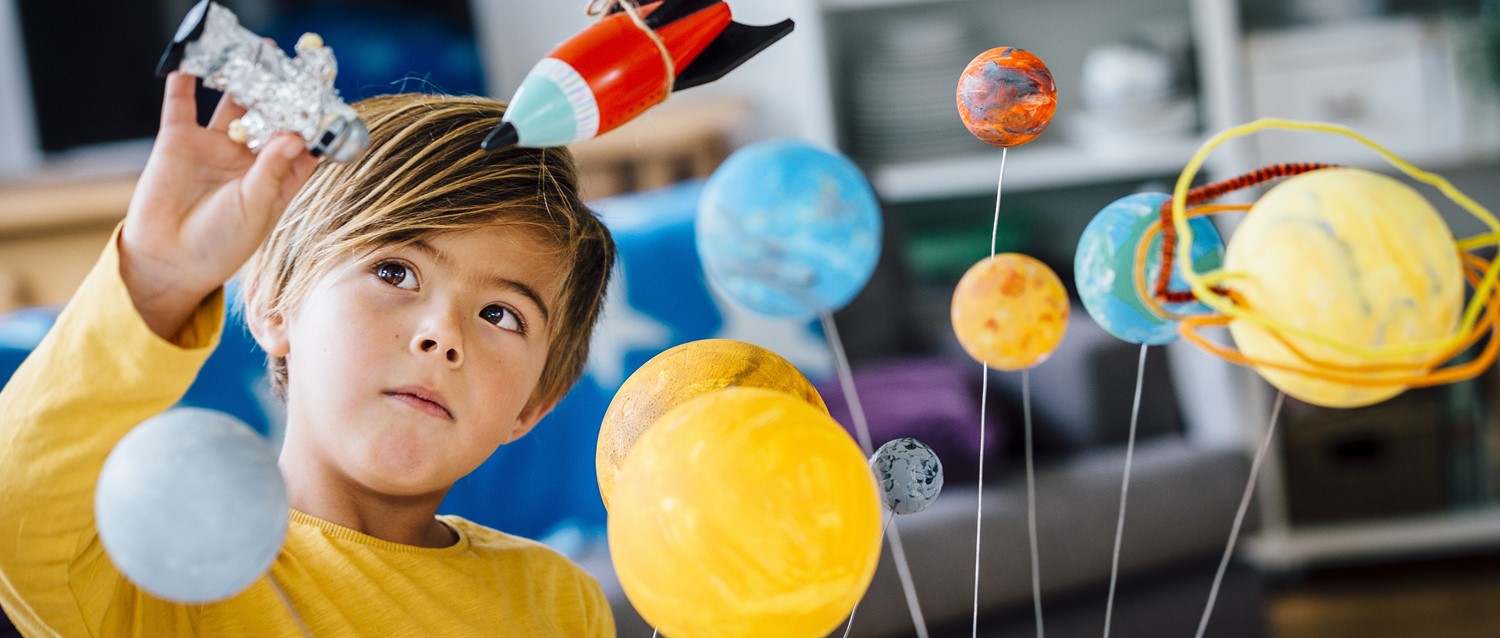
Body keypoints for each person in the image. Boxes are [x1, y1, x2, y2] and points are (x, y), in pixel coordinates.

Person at [0, 71, 618, 636]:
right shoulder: (165, 570)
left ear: (533, 405)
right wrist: (157, 283)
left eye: (500, 315)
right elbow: (15, 506)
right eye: (396, 272)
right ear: (273, 302)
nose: (442, 334)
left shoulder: (560, 602)